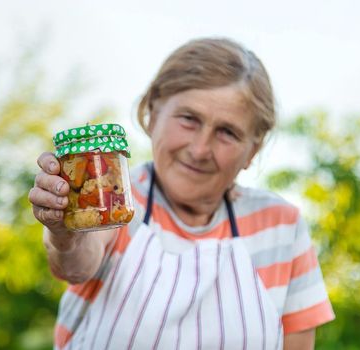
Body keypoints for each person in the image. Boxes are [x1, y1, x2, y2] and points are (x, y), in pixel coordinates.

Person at [29, 37, 335, 350]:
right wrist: (65, 232)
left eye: (227, 132)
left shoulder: (282, 226)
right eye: (189, 119)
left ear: (252, 151)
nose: (200, 149)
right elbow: (75, 264)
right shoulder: (116, 198)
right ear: (152, 112)